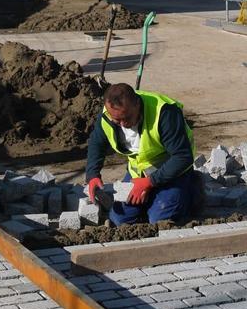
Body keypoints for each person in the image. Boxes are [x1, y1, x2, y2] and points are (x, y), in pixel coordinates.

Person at [83, 83, 196, 226]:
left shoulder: (165, 113)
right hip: (139, 173)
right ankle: (152, 200)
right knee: (120, 219)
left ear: (137, 104)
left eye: (127, 118)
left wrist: (150, 182)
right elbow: (96, 143)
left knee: (159, 220)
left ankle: (191, 191)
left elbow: (183, 157)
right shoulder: (108, 114)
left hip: (173, 172)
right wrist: (92, 175)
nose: (123, 124)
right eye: (117, 120)